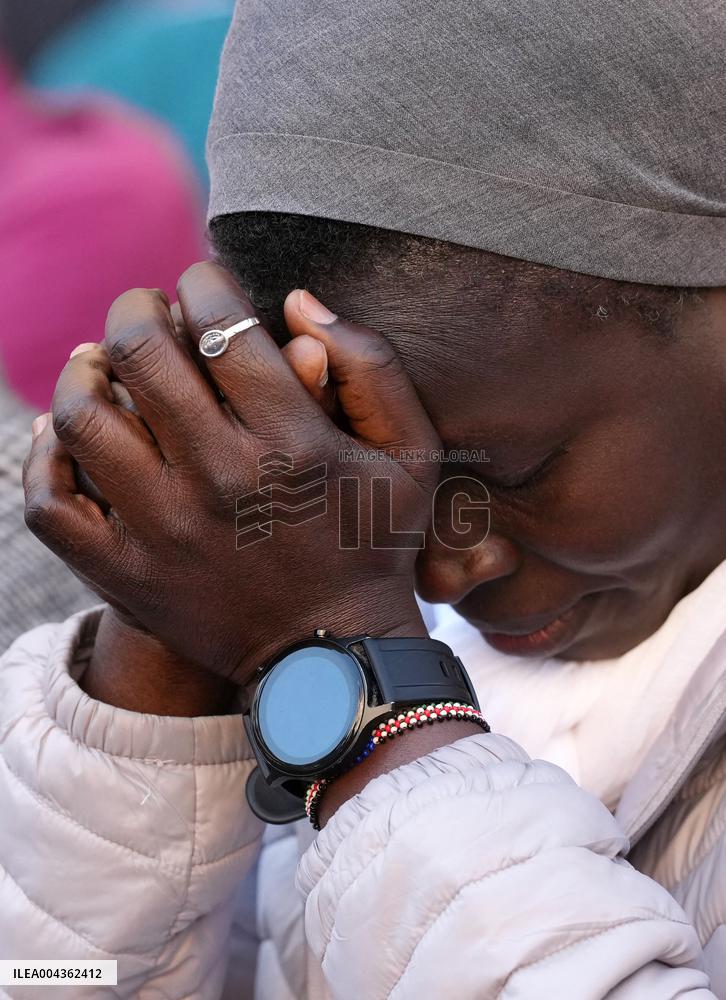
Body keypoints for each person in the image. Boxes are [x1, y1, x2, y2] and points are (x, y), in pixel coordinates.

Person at [2, 1, 726, 998]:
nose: (436, 563)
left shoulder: (344, 647)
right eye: (367, 469)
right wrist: (156, 670)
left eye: (511, 473)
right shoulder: (336, 591)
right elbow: (44, 976)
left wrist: (363, 703)